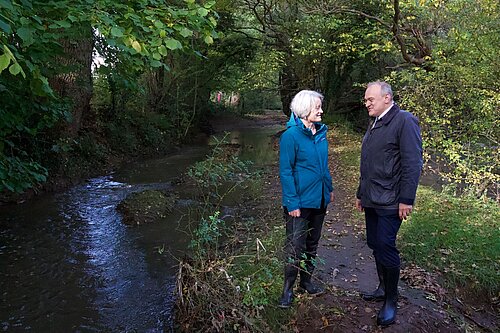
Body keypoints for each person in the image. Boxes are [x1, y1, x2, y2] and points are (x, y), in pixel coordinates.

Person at [356, 81, 423, 326]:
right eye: (365, 100)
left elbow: (412, 163)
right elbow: (368, 163)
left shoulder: (404, 120)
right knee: (374, 243)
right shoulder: (375, 122)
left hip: (392, 201)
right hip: (372, 198)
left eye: (370, 99)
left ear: (387, 98)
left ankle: (391, 301)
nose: (366, 104)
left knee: (385, 244)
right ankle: (383, 288)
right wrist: (360, 193)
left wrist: (407, 199)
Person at [278, 90, 335, 308]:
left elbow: (323, 166)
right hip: (299, 203)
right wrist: (292, 203)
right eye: (317, 107)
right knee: (295, 246)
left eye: (320, 106)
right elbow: (286, 171)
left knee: (312, 243)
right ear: (304, 109)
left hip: (319, 199)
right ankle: (287, 290)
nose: (321, 111)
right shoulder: (290, 136)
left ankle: (307, 282)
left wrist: (328, 188)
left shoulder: (320, 133)